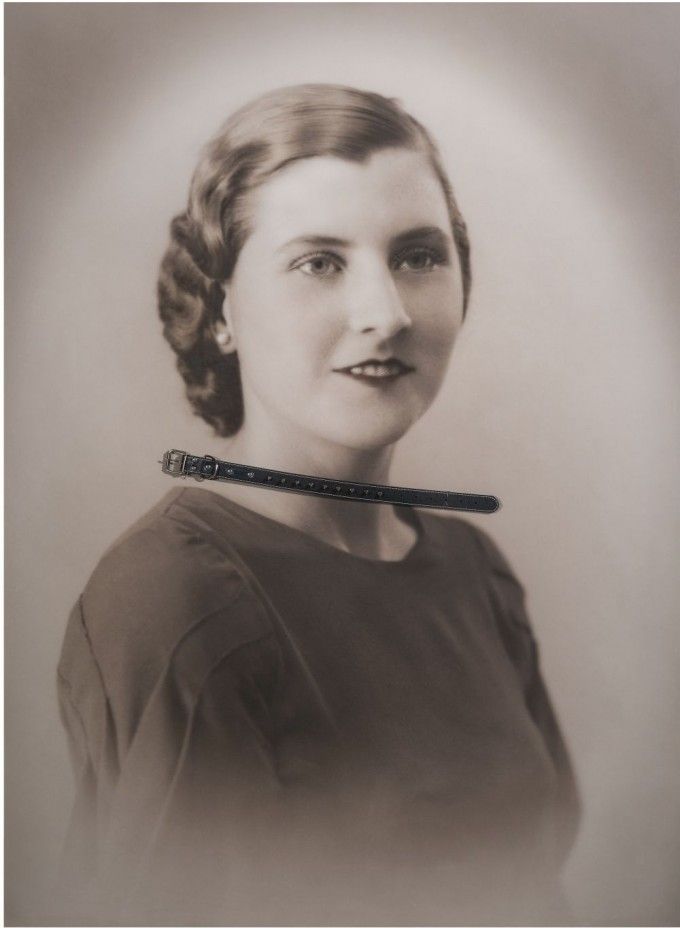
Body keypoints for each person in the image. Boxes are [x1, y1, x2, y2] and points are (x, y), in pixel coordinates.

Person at [57, 83, 580, 926]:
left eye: (418, 256)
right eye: (319, 263)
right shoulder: (173, 601)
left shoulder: (473, 571)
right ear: (222, 310)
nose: (386, 314)